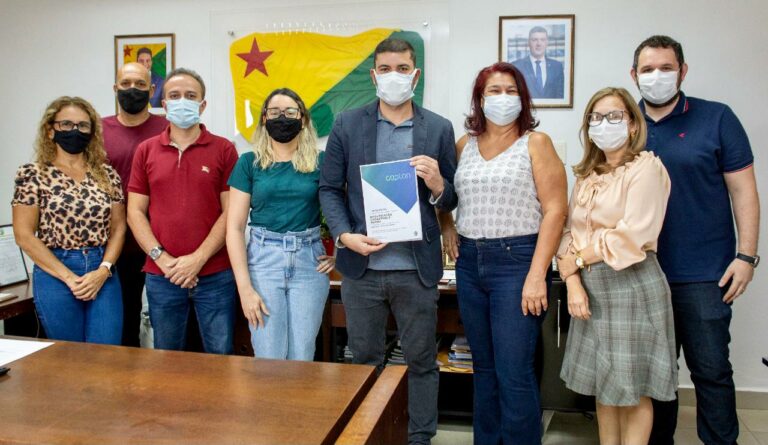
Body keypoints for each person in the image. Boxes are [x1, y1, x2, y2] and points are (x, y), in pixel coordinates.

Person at [319, 38, 457, 445]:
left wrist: (438, 183)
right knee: (364, 360)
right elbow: (329, 188)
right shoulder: (347, 124)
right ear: (373, 75)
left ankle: (419, 437)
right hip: (362, 269)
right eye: (385, 68)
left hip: (416, 269)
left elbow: (451, 198)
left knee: (421, 361)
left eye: (402, 68)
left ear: (415, 75)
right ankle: (369, 436)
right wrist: (344, 235)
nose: (393, 76)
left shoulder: (439, 128)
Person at [631, 36, 760, 445]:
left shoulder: (717, 118)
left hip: (704, 274)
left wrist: (746, 256)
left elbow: (744, 191)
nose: (656, 76)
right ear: (633, 76)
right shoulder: (623, 123)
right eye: (647, 69)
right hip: (640, 273)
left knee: (711, 371)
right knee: (656, 376)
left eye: (665, 68)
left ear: (683, 71)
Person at [439, 62, 568, 444]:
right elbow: (445, 194)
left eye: (511, 91)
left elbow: (556, 211)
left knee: (514, 371)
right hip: (470, 263)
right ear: (480, 99)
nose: (503, 98)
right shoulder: (464, 145)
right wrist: (447, 225)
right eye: (493, 91)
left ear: (523, 98)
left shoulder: (536, 143)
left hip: (518, 262)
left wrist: (537, 274)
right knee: (484, 369)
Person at [556, 87, 677, 445]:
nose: (603, 124)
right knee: (605, 385)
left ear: (633, 125)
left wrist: (578, 259)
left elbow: (633, 234)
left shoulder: (646, 168)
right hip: (591, 289)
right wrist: (573, 281)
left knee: (633, 388)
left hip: (632, 286)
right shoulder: (587, 175)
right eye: (595, 118)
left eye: (614, 116)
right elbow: (569, 232)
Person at [127, 67, 239, 354]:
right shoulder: (146, 150)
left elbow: (231, 213)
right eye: (174, 96)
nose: (182, 101)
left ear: (202, 105)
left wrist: (197, 259)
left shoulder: (225, 149)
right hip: (162, 275)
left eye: (190, 96)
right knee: (167, 359)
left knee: (220, 356)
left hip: (215, 274)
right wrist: (162, 259)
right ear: (164, 105)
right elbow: (135, 212)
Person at [226, 88, 335, 360]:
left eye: (290, 112)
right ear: (264, 119)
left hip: (309, 262)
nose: (282, 118)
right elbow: (235, 228)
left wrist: (341, 252)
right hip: (263, 263)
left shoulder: (321, 162)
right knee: (268, 357)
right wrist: (244, 289)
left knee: (302, 356)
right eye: (274, 112)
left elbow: (342, 208)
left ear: (303, 119)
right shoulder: (249, 163)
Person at [12, 96, 126, 344]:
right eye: (66, 124)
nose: (75, 130)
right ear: (50, 130)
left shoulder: (107, 175)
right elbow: (24, 235)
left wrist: (103, 270)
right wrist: (69, 278)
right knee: (69, 356)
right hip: (55, 269)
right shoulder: (33, 174)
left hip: (101, 268)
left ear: (91, 132)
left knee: (107, 353)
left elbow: (118, 228)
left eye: (83, 125)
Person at [102, 62, 168, 347]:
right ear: (115, 88)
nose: (133, 90)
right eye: (126, 84)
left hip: (161, 242)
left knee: (166, 324)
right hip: (115, 245)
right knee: (124, 323)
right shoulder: (98, 131)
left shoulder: (167, 128)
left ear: (152, 90)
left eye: (140, 84)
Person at [512, 26, 565, 99]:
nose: (539, 44)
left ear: (547, 43)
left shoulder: (557, 66)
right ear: (529, 43)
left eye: (542, 40)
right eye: (534, 40)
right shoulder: (517, 66)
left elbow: (560, 95)